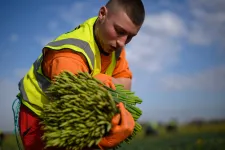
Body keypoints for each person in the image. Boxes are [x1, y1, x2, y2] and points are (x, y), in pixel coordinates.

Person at [16, 0, 145, 149]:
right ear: (102, 14)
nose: (123, 42)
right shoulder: (69, 55)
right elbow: (77, 119)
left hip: (70, 115)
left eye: (130, 36)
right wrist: (100, 143)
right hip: (39, 117)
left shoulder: (114, 45)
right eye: (119, 31)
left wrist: (101, 84)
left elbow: (126, 85)